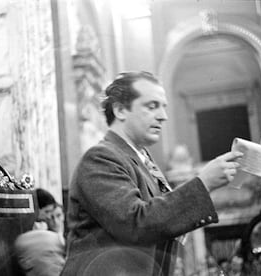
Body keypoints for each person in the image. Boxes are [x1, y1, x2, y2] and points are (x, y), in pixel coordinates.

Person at [61, 71, 243, 276]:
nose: (163, 116)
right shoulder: (100, 158)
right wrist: (204, 183)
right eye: (152, 106)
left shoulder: (141, 160)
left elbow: (160, 222)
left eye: (163, 107)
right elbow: (136, 223)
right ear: (120, 110)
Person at [14, 188, 66, 276]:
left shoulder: (44, 228)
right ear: (35, 208)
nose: (49, 217)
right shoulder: (26, 231)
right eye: (47, 212)